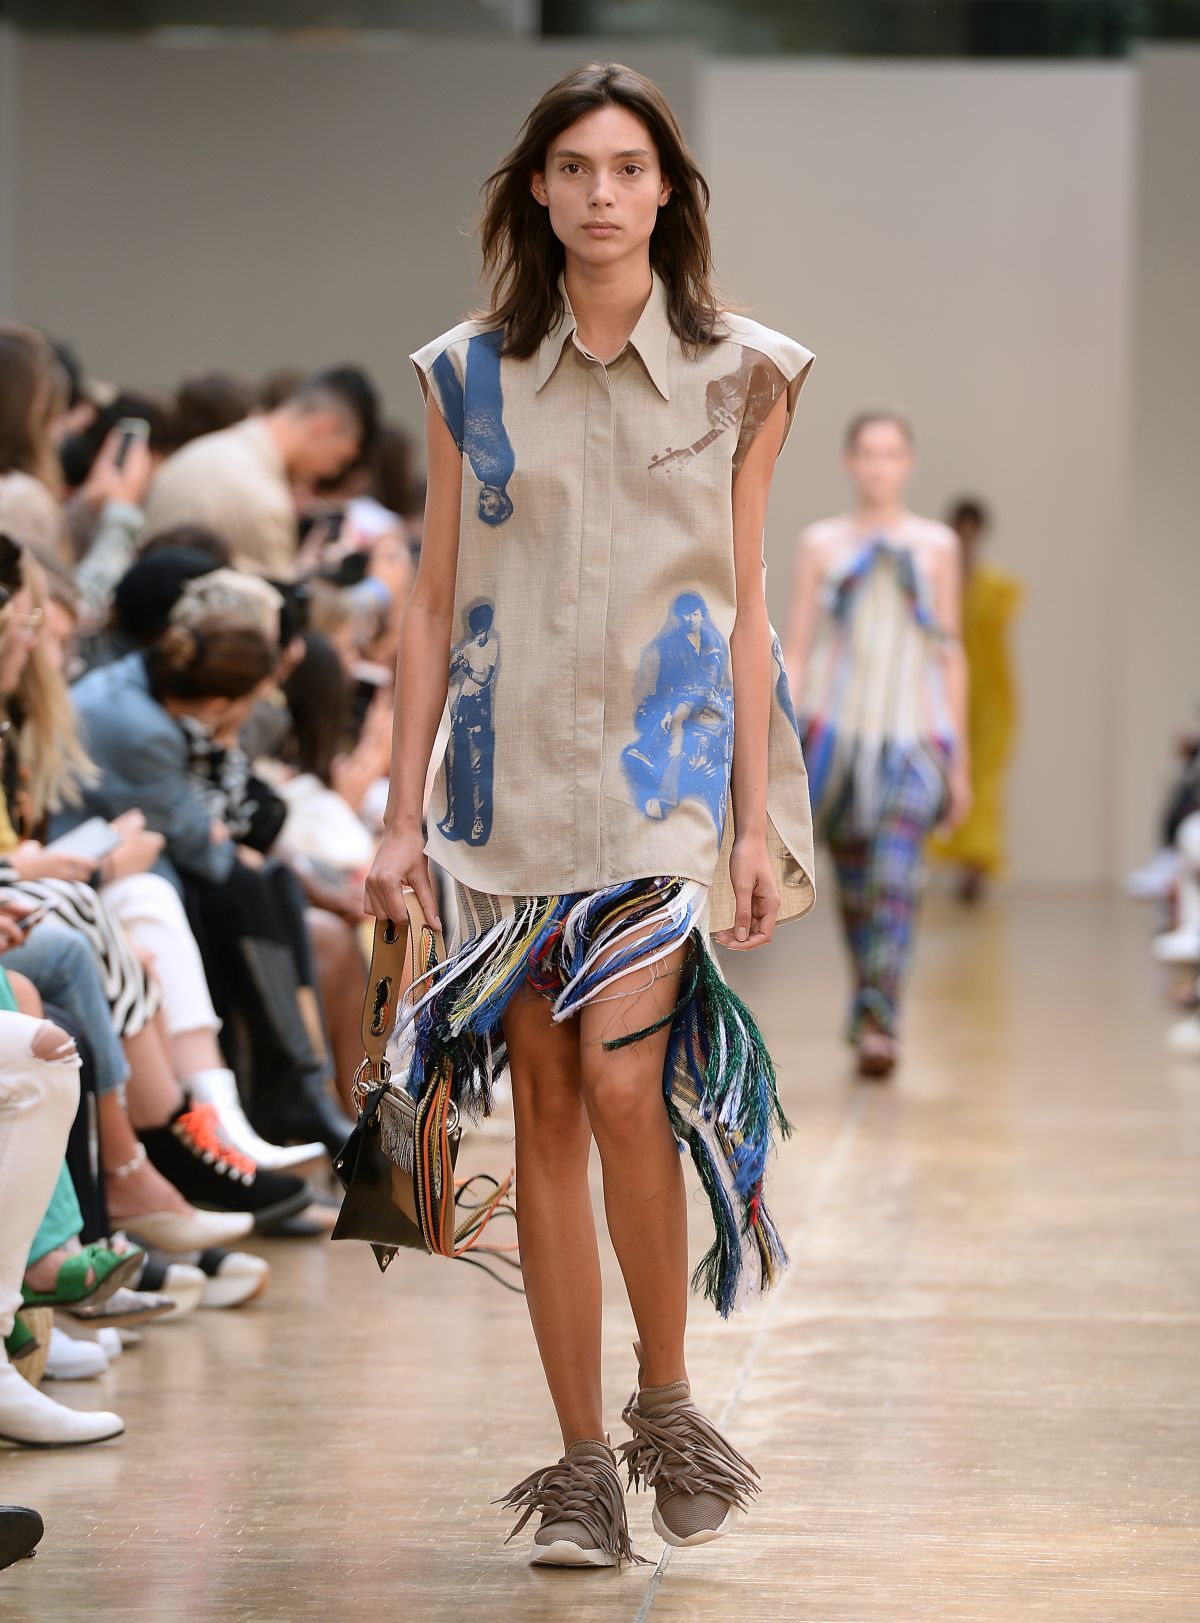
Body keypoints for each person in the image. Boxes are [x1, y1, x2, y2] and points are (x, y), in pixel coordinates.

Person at [365, 62, 816, 1567]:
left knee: (627, 1089)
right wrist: (395, 818)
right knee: (546, 1107)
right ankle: (579, 1468)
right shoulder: (464, 373)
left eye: (629, 167)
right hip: (502, 793)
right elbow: (432, 596)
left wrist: (750, 822)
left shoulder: (747, 372)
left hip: (663, 787)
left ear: (667, 189)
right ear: (538, 190)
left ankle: (666, 1404)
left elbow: (747, 604)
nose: (602, 193)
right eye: (575, 167)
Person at [783, 412, 970, 1078]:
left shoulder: (937, 545)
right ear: (849, 461)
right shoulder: (820, 543)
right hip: (837, 738)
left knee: (896, 875)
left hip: (915, 737)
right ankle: (869, 1004)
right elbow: (797, 648)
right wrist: (783, 744)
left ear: (908, 464)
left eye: (890, 453)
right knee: (857, 887)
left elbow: (950, 652)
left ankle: (881, 1017)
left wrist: (960, 764)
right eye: (867, 452)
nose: (878, 465)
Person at [141, 368, 378, 578]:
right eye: (340, 460)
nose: (330, 471)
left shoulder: (206, 449)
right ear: (325, 427)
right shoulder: (262, 494)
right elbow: (273, 609)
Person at [929, 498, 1023, 901]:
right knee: (943, 776)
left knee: (984, 784)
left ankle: (977, 867)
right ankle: (948, 858)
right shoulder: (935, 586)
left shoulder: (999, 588)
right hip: (945, 697)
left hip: (991, 701)